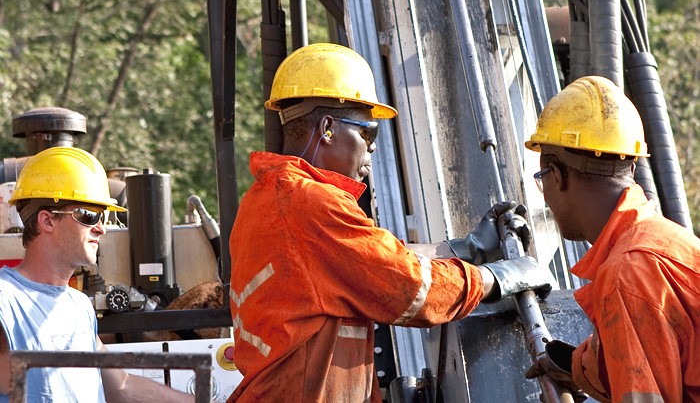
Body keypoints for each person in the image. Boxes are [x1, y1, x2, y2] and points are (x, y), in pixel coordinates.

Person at [228, 42, 553, 402]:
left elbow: (373, 259)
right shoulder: (312, 203)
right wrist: (501, 277)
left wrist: (468, 247)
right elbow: (408, 286)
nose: (373, 147)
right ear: (327, 128)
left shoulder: (263, 199)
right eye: (368, 132)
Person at [523, 76, 700, 402]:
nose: (544, 195)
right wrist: (574, 366)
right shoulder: (664, 241)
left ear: (558, 177)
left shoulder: (627, 276)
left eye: (541, 179)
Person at [0, 146, 194, 403]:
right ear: (47, 221)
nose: (101, 229)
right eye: (89, 216)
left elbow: (120, 386)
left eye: (103, 216)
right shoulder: (6, 301)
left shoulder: (78, 306)